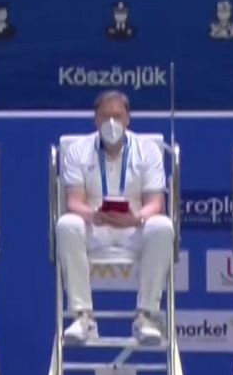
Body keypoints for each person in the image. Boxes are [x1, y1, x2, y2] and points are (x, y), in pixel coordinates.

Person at [56, 90, 175, 347]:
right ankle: (82, 316)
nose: (112, 123)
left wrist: (137, 218)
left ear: (128, 119)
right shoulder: (78, 150)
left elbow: (156, 202)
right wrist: (92, 215)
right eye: (106, 116)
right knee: (67, 223)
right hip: (96, 226)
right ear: (95, 120)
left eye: (118, 116)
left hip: (133, 228)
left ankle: (146, 316)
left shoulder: (148, 150)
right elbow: (73, 201)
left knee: (162, 225)